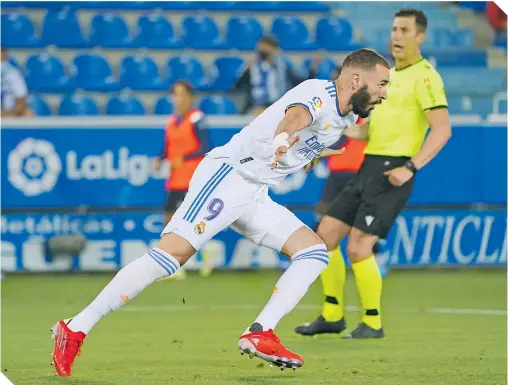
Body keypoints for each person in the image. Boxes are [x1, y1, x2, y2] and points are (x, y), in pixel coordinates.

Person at [51, 48, 390, 376]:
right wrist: (281, 141)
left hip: (255, 192)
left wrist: (310, 155)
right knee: (170, 258)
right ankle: (74, 328)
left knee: (314, 252)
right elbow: (293, 118)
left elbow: (308, 133)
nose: (384, 94)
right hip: (229, 177)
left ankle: (260, 332)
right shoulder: (319, 93)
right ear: (356, 78)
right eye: (381, 85)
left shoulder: (350, 115)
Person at [295, 8, 451, 339]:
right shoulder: (388, 78)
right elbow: (368, 133)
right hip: (369, 165)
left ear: (420, 36)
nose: (396, 36)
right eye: (394, 29)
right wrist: (326, 133)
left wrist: (411, 167)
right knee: (325, 236)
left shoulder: (426, 77)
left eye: (405, 30)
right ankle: (332, 314)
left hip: (394, 168)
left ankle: (373, 322)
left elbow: (442, 130)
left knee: (359, 246)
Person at [154, 80, 212, 279]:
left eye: (181, 94)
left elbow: (205, 147)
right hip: (175, 178)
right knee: (169, 219)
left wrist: (184, 158)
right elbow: (167, 147)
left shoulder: (197, 118)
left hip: (192, 178)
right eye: (175, 94)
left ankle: (205, 258)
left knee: (193, 221)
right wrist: (160, 158)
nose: (177, 99)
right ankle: (173, 264)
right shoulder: (170, 121)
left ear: (190, 97)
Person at [234, 35, 303, 115]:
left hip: (279, 107)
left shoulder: (283, 69)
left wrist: (312, 70)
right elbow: (237, 87)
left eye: (266, 51)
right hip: (256, 108)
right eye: (260, 51)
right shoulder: (252, 68)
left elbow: (299, 83)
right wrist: (246, 72)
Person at [1, 47, 29, 117]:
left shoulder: (14, 74)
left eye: (2, 59)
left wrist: (7, 115)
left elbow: (22, 101)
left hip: (9, 116)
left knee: (27, 114)